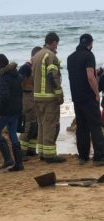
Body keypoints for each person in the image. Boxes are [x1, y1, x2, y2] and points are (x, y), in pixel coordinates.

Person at [67, 34, 104, 166]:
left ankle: (83, 157)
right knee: (95, 126)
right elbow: (90, 77)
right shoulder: (89, 55)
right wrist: (96, 93)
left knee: (81, 127)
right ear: (90, 43)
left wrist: (95, 70)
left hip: (76, 97)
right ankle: (99, 157)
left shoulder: (70, 57)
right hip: (88, 97)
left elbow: (77, 73)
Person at [32, 32, 66, 163]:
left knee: (41, 125)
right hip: (49, 97)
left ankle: (42, 152)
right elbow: (52, 76)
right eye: (57, 44)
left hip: (37, 97)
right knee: (50, 125)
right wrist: (59, 93)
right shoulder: (51, 56)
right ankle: (50, 156)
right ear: (54, 43)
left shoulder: (36, 56)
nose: (56, 47)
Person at [0, 54, 24, 172]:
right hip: (17, 109)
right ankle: (19, 164)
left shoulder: (1, 80)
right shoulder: (17, 75)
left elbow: (4, 96)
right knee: (12, 134)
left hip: (6, 111)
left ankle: (8, 159)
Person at [19, 46, 42, 161]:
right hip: (26, 99)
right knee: (27, 126)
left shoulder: (35, 67)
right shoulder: (25, 68)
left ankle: (31, 151)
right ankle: (21, 154)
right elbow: (18, 84)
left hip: (33, 99)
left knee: (35, 126)